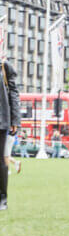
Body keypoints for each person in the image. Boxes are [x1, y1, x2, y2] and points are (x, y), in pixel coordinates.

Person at [1, 59, 20, 211]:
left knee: (1, 160)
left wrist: (15, 118)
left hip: (1, 118)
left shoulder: (4, 65)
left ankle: (2, 199)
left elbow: (13, 92)